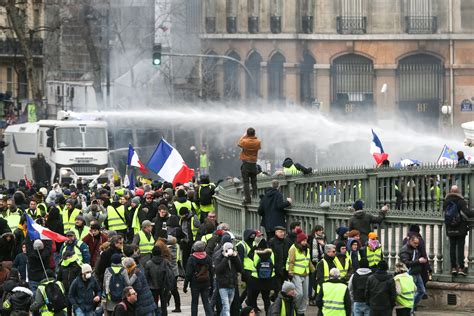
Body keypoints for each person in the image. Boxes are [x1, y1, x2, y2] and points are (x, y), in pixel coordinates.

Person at [442, 185, 474, 275]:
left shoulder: (446, 201)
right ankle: (461, 267)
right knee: (460, 248)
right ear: (458, 191)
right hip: (460, 227)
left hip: (450, 228)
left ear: (451, 191)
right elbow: (467, 213)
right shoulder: (461, 201)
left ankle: (453, 267)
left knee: (452, 247)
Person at [286, 229, 315, 316]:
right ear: (299, 240)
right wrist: (290, 272)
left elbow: (308, 260)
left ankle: (301, 312)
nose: (305, 242)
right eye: (303, 240)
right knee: (299, 294)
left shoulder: (307, 248)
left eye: (306, 240)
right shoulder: (293, 248)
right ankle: (295, 308)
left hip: (305, 273)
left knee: (305, 295)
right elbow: (291, 261)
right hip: (296, 273)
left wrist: (313, 270)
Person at [184, 240, 213, 316]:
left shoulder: (191, 259)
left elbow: (188, 274)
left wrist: (185, 285)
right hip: (206, 282)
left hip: (195, 283)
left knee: (194, 302)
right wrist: (212, 284)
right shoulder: (208, 258)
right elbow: (212, 272)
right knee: (206, 302)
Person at [246, 239, 275, 313]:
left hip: (256, 280)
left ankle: (253, 312)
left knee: (253, 298)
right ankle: (268, 313)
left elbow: (249, 254)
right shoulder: (272, 254)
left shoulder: (255, 254)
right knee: (266, 299)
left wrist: (254, 247)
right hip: (268, 280)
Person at [399, 235, 426, 312]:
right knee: (412, 293)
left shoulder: (414, 248)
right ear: (410, 241)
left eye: (417, 243)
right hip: (410, 274)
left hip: (417, 272)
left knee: (421, 291)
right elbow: (406, 263)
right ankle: (410, 310)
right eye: (415, 243)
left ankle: (412, 306)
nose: (417, 245)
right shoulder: (404, 250)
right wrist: (419, 261)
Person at [145, 246, 174, 316]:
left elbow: (146, 277)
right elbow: (171, 274)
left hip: (152, 287)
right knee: (164, 305)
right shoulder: (166, 262)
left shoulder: (148, 263)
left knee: (154, 305)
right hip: (164, 286)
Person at [215, 242, 242, 316]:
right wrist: (226, 258)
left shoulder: (234, 258)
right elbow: (218, 270)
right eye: (228, 249)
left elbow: (240, 268)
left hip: (232, 285)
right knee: (226, 307)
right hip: (223, 286)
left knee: (227, 307)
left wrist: (236, 257)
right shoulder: (219, 257)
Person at [237, 127, 261, 204]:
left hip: (246, 164)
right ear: (254, 133)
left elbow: (239, 143)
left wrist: (244, 136)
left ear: (247, 134)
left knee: (246, 182)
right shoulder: (258, 142)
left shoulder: (244, 141)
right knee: (254, 182)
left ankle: (248, 199)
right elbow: (258, 148)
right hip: (254, 164)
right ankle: (255, 198)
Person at [268, 226, 292, 300]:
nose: (282, 233)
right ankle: (277, 302)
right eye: (280, 232)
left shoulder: (287, 241)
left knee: (284, 287)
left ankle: (278, 300)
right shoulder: (272, 242)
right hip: (276, 269)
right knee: (278, 288)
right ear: (276, 232)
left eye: (283, 232)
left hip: (285, 269)